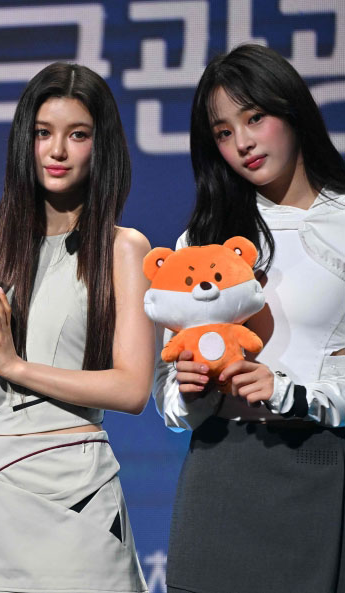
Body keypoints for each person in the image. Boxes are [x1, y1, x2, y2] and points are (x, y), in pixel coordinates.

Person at [0, 62, 154, 593]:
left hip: (75, 484)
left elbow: (131, 389)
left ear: (101, 146)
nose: (57, 151)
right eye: (42, 133)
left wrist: (16, 366)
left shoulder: (124, 248)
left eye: (77, 135)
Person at [154, 44, 345, 593]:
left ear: (293, 111)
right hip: (221, 472)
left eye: (255, 117)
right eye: (223, 131)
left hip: (322, 469)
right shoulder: (202, 240)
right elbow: (166, 395)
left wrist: (292, 393)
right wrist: (189, 390)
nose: (242, 142)